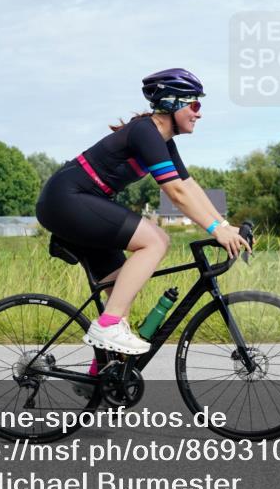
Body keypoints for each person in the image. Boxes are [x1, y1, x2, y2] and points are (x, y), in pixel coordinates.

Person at [35, 68, 251, 355]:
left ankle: (102, 376)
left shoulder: (162, 140)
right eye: (194, 105)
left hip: (81, 202)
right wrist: (215, 230)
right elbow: (175, 192)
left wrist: (225, 225)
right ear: (173, 103)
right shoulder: (144, 131)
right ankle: (108, 325)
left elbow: (189, 185)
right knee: (156, 240)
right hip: (66, 200)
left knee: (121, 295)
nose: (199, 113)